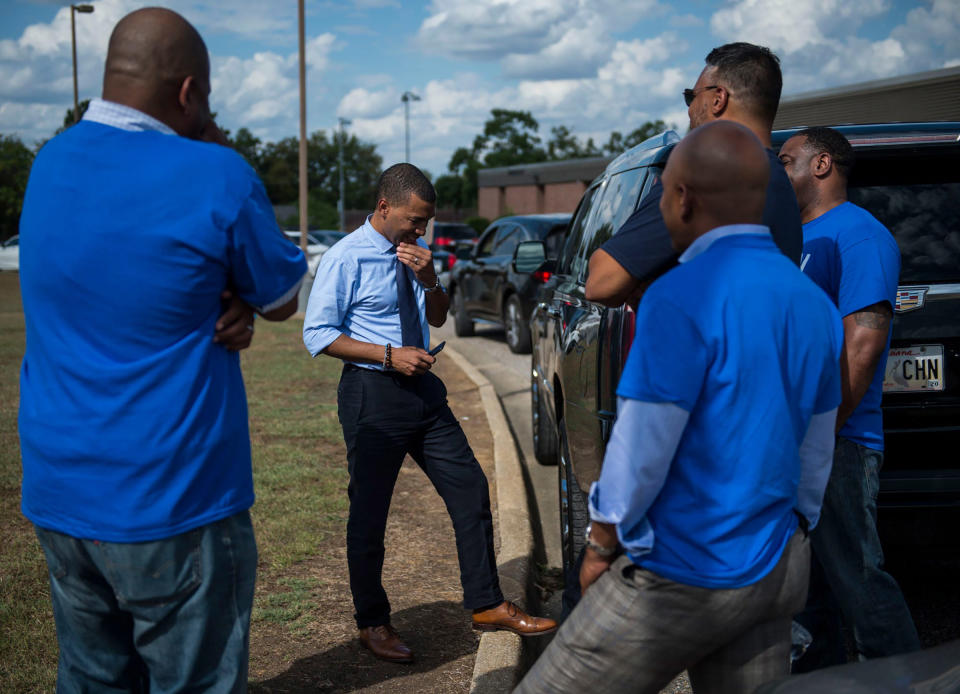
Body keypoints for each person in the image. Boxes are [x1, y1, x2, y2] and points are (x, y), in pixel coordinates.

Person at [18, 8, 306, 692]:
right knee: (197, 679)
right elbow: (279, 296)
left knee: (91, 677)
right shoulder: (217, 173)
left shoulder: (49, 163)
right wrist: (234, 293)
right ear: (188, 94)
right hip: (173, 496)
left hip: (61, 489)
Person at [514, 121, 844, 694]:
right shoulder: (814, 304)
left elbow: (643, 445)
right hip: (777, 564)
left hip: (687, 567)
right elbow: (817, 442)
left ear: (684, 198)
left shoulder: (679, 294)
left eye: (664, 192)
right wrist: (796, 529)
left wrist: (598, 545)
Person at [302, 163, 556, 664]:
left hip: (423, 392)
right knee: (370, 514)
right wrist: (389, 355)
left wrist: (430, 278)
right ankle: (371, 622)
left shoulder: (416, 256)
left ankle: (487, 605)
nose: (423, 230)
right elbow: (318, 335)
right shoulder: (345, 258)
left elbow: (437, 317)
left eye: (428, 221)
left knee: (470, 488)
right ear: (384, 207)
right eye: (416, 220)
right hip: (372, 394)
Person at [779, 127, 920, 670]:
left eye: (787, 160)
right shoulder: (793, 236)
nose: (778, 170)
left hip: (837, 440)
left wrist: (824, 430)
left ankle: (908, 679)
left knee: (857, 578)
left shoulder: (859, 235)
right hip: (795, 438)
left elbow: (863, 339)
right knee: (803, 586)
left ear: (821, 166)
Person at [585, 42, 802, 308]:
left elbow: (601, 283)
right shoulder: (783, 184)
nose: (689, 110)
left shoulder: (704, 176)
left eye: (691, 97)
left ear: (718, 98)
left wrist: (649, 285)